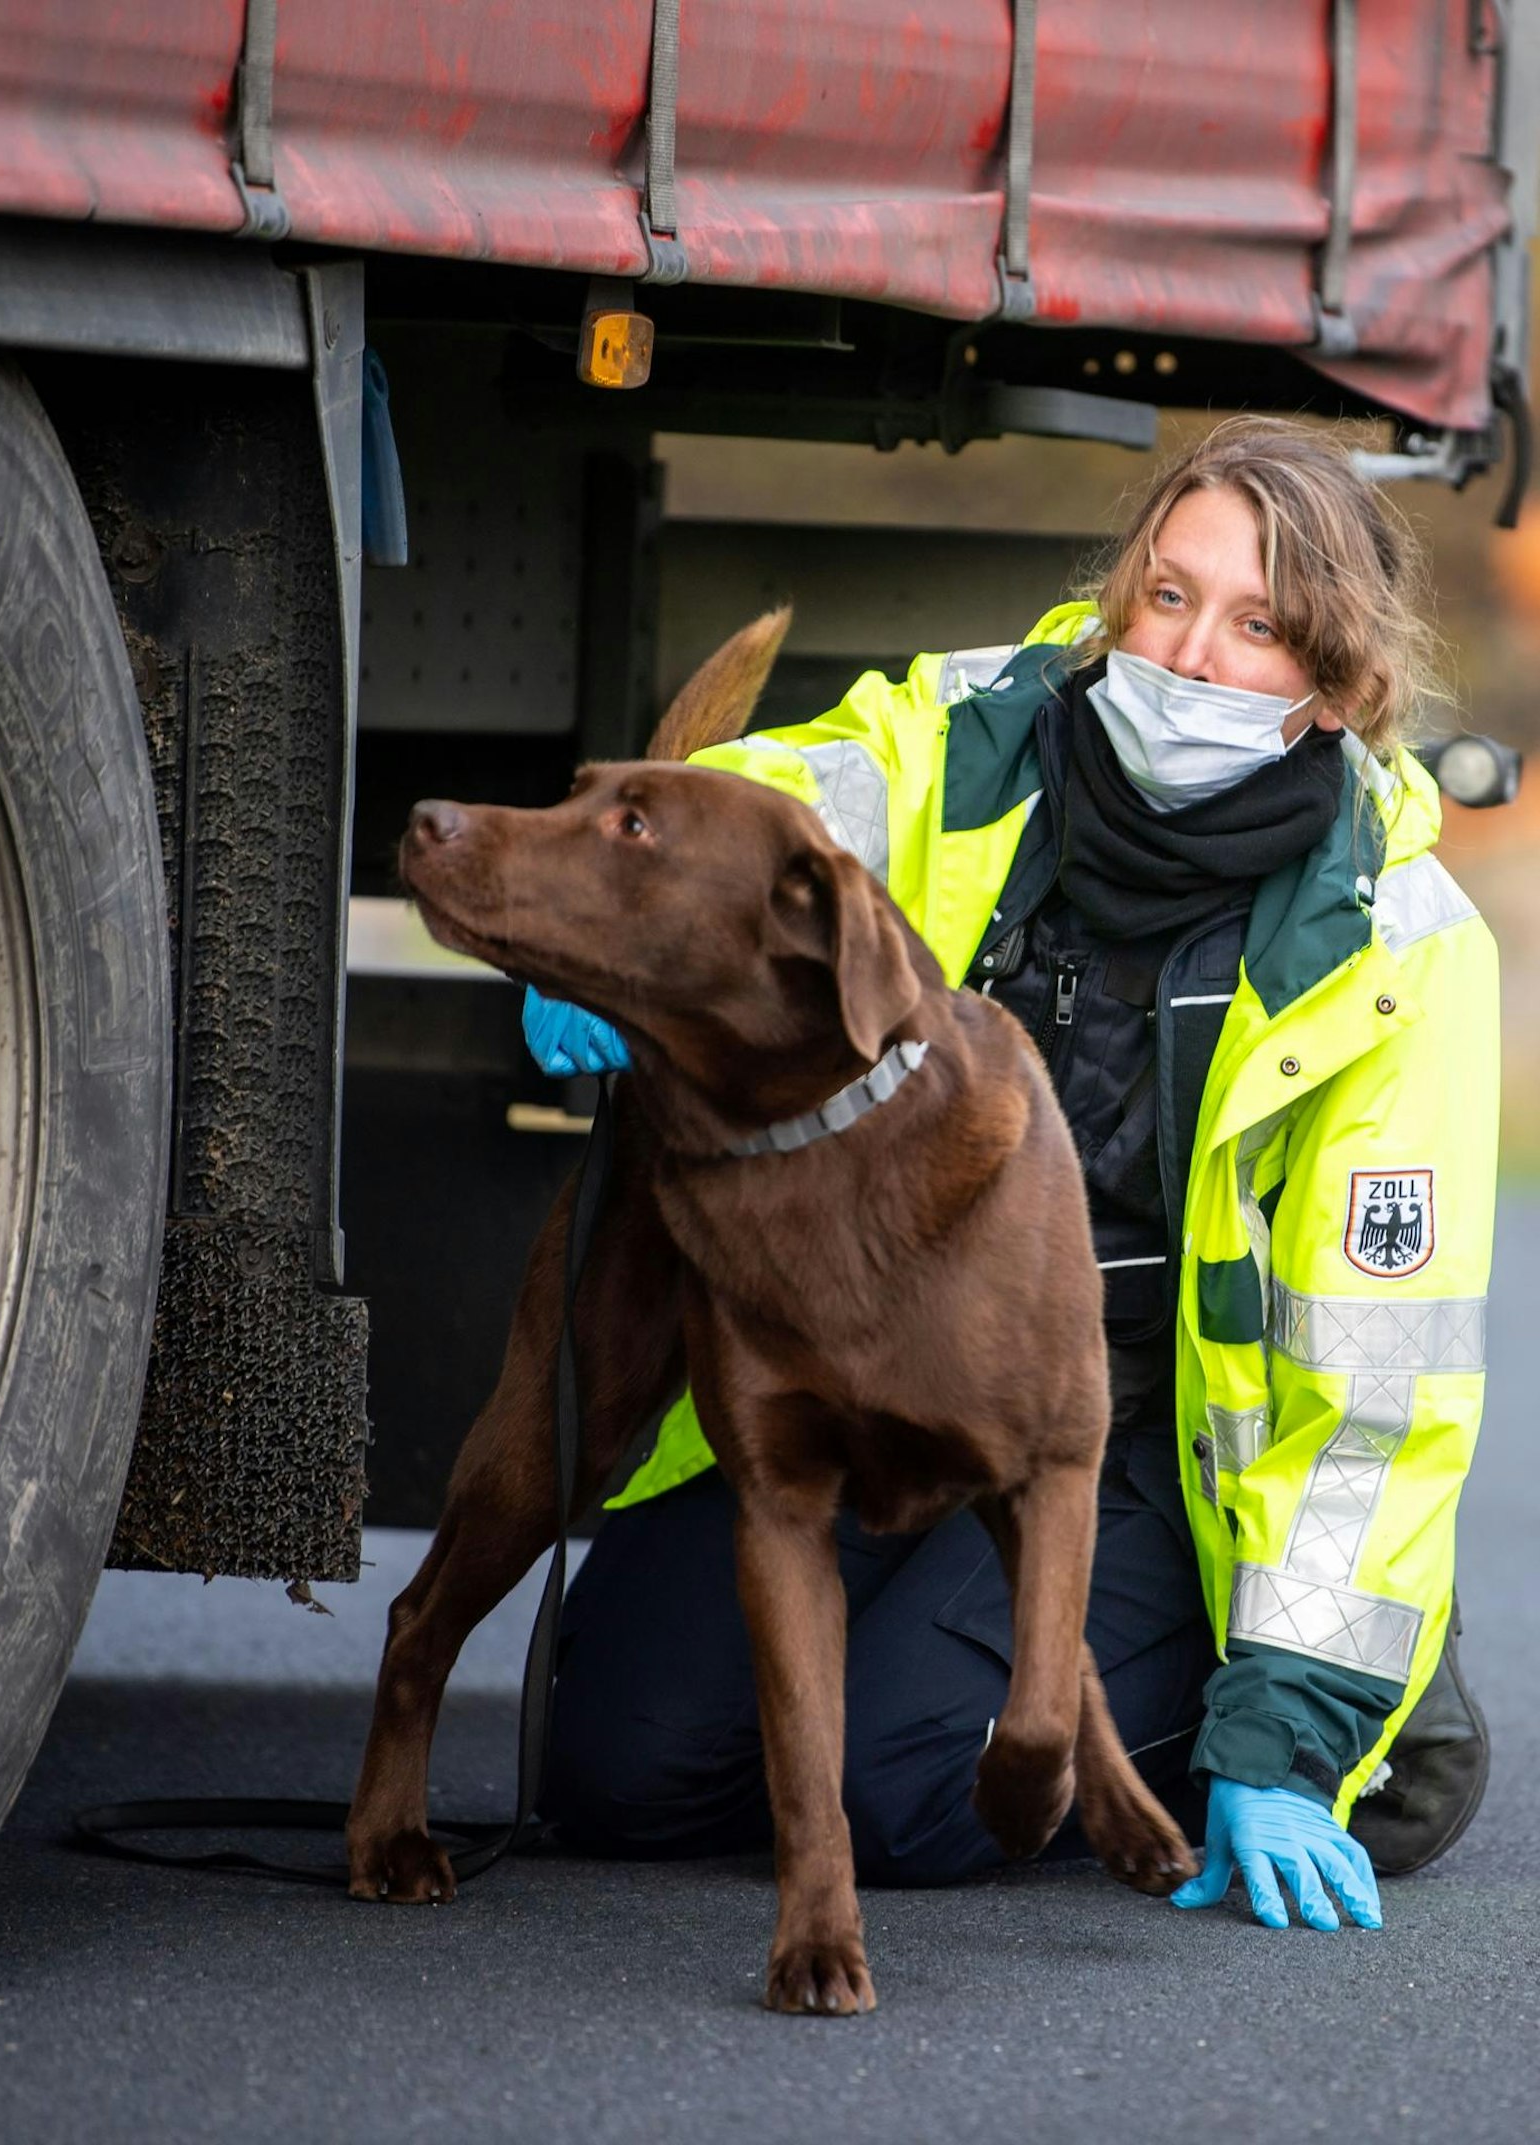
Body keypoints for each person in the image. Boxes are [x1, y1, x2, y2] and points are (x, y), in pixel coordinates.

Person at [522, 416, 1496, 1933]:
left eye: (1257, 626)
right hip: (898, 1387)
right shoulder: (980, 735)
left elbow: (1372, 1388)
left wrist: (1288, 1732)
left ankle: (1314, 1712)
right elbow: (794, 796)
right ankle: (916, 1671)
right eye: (1165, 594)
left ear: (1334, 685)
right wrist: (623, 922)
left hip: (1141, 1459)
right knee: (614, 1774)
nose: (1189, 653)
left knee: (916, 1793)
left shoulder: (1399, 949)